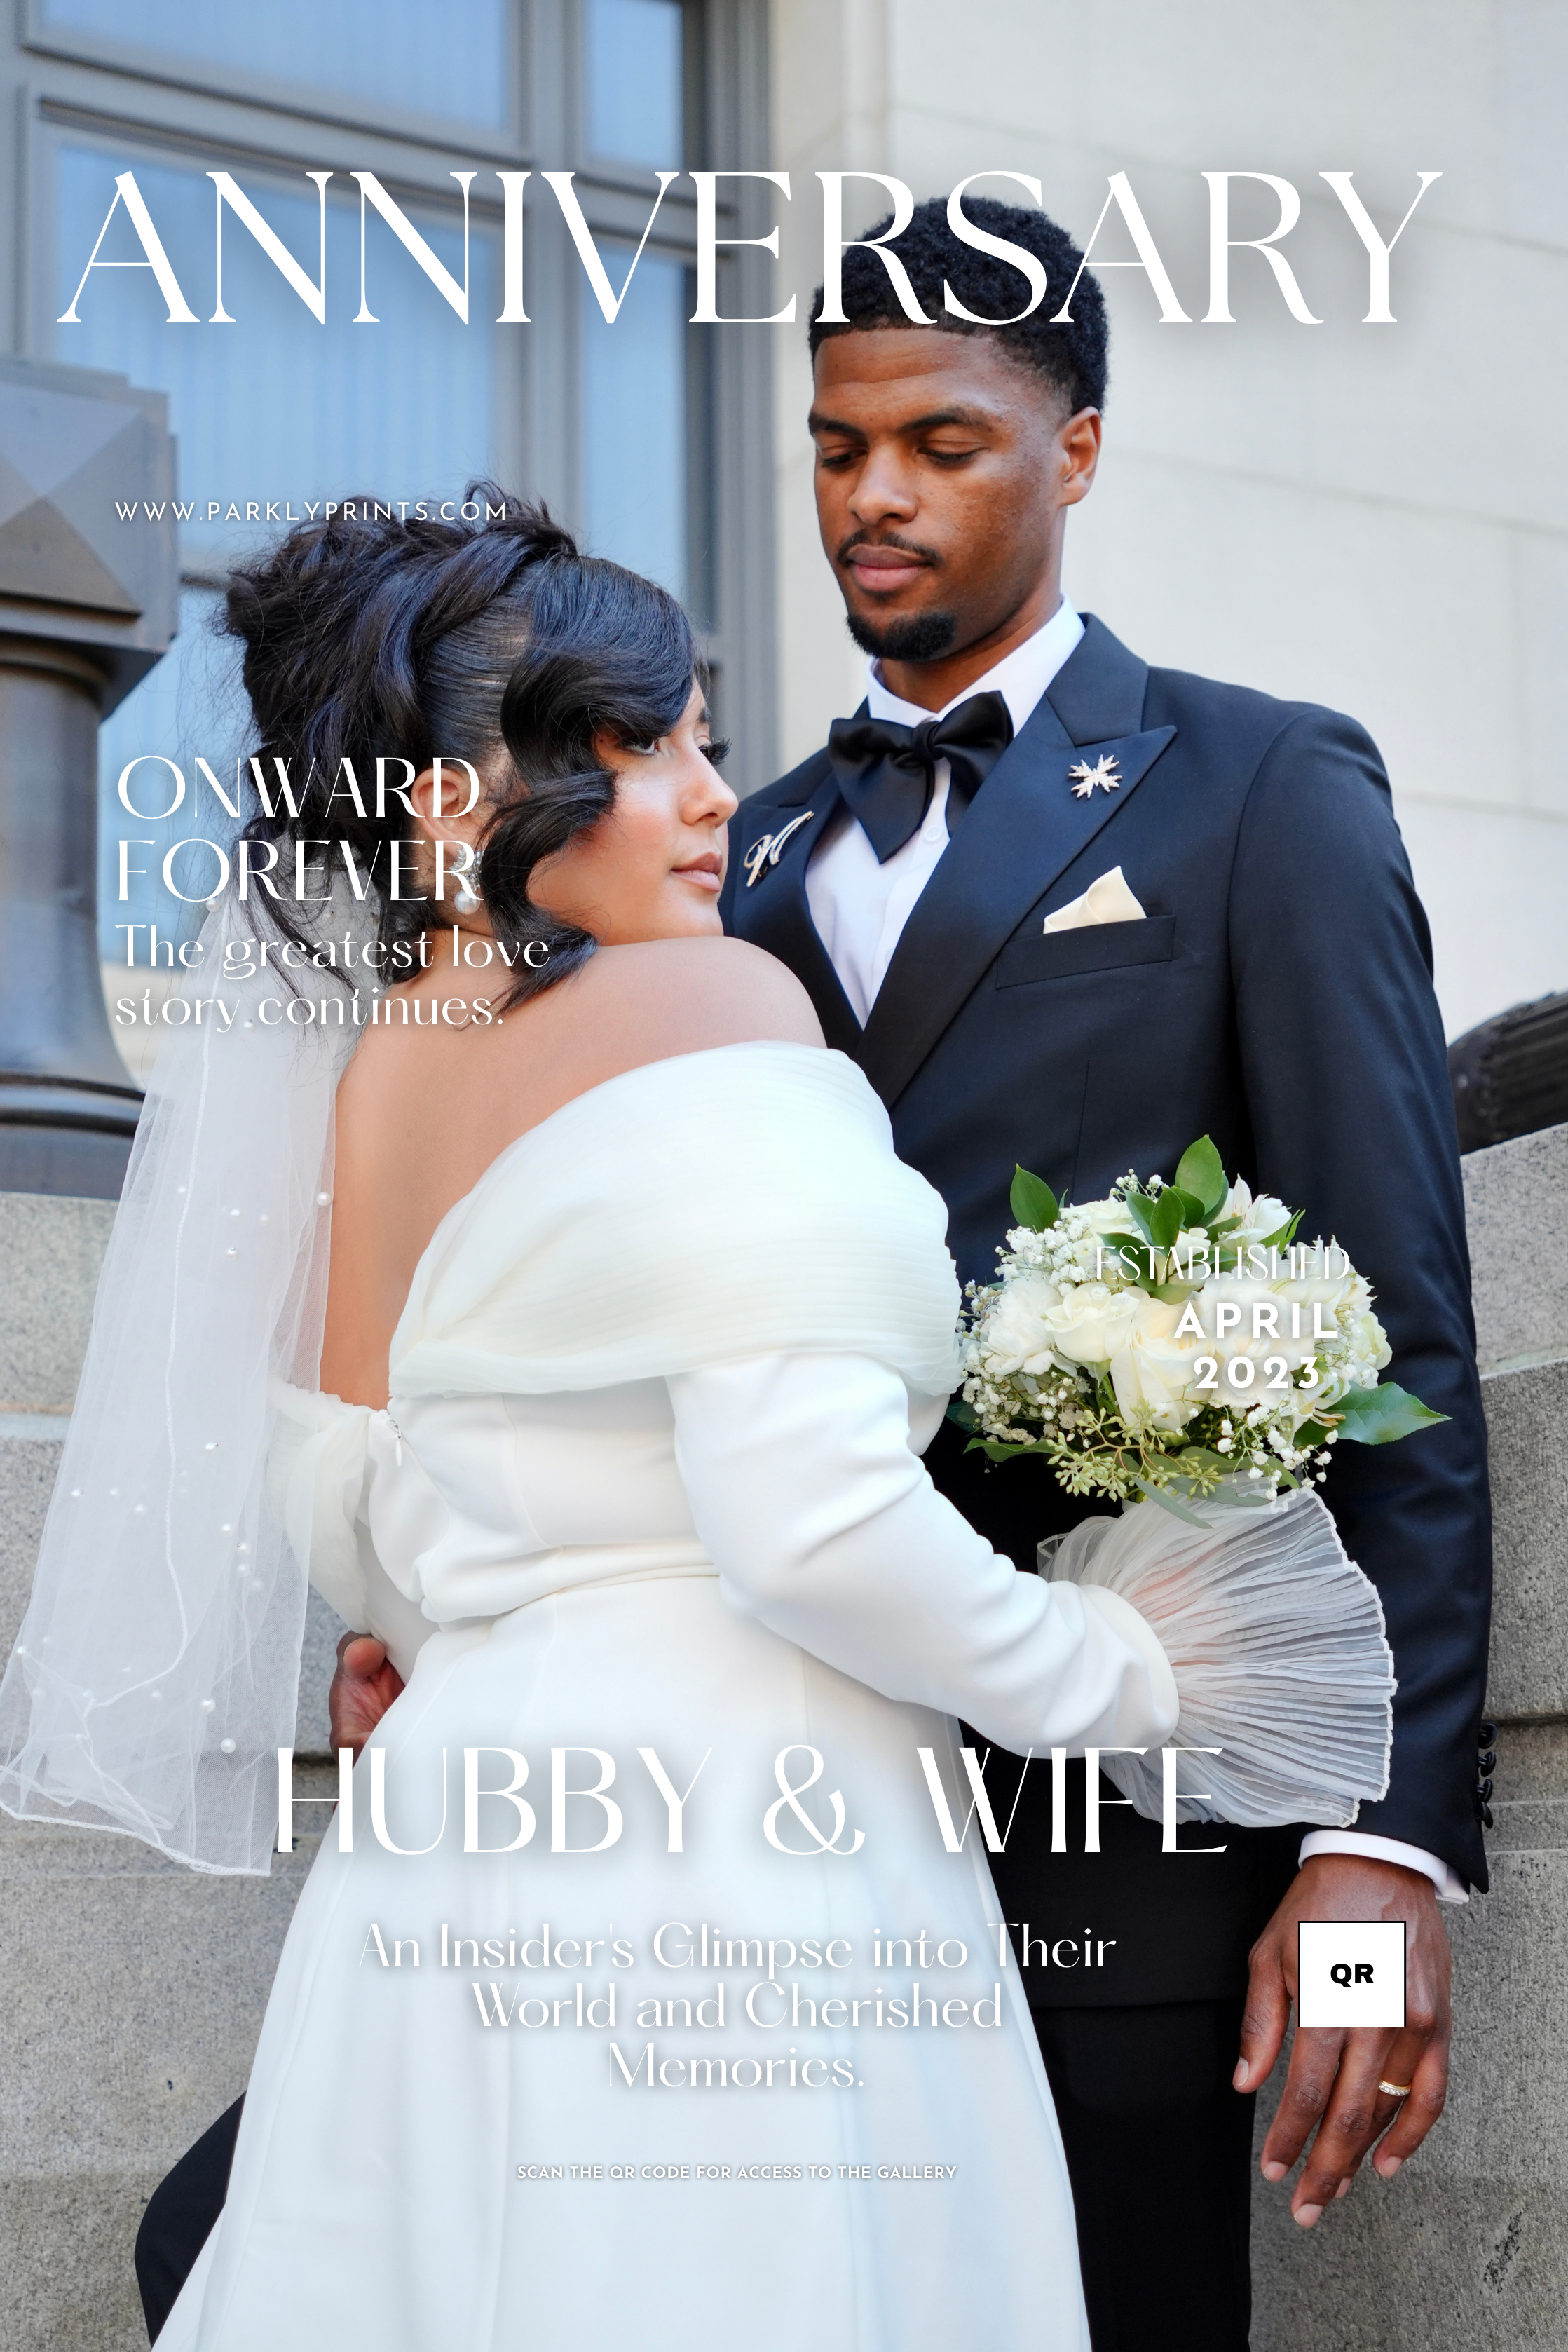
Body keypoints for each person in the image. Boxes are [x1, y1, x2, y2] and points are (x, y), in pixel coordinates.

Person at [0, 498, 1396, 2351]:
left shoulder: (358, 1095)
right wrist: (1127, 1670)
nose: (710, 793)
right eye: (636, 750)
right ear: (441, 805)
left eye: (703, 741)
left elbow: (368, 1526)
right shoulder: (715, 995)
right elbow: (810, 1523)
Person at [718, 197, 1493, 2349]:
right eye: (833, 443)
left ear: (1074, 450)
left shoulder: (1258, 786)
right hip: (777, 1815)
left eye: (942, 443)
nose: (871, 495)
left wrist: (1377, 1866)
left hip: (1134, 1848)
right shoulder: (732, 854)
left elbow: (1399, 1335)